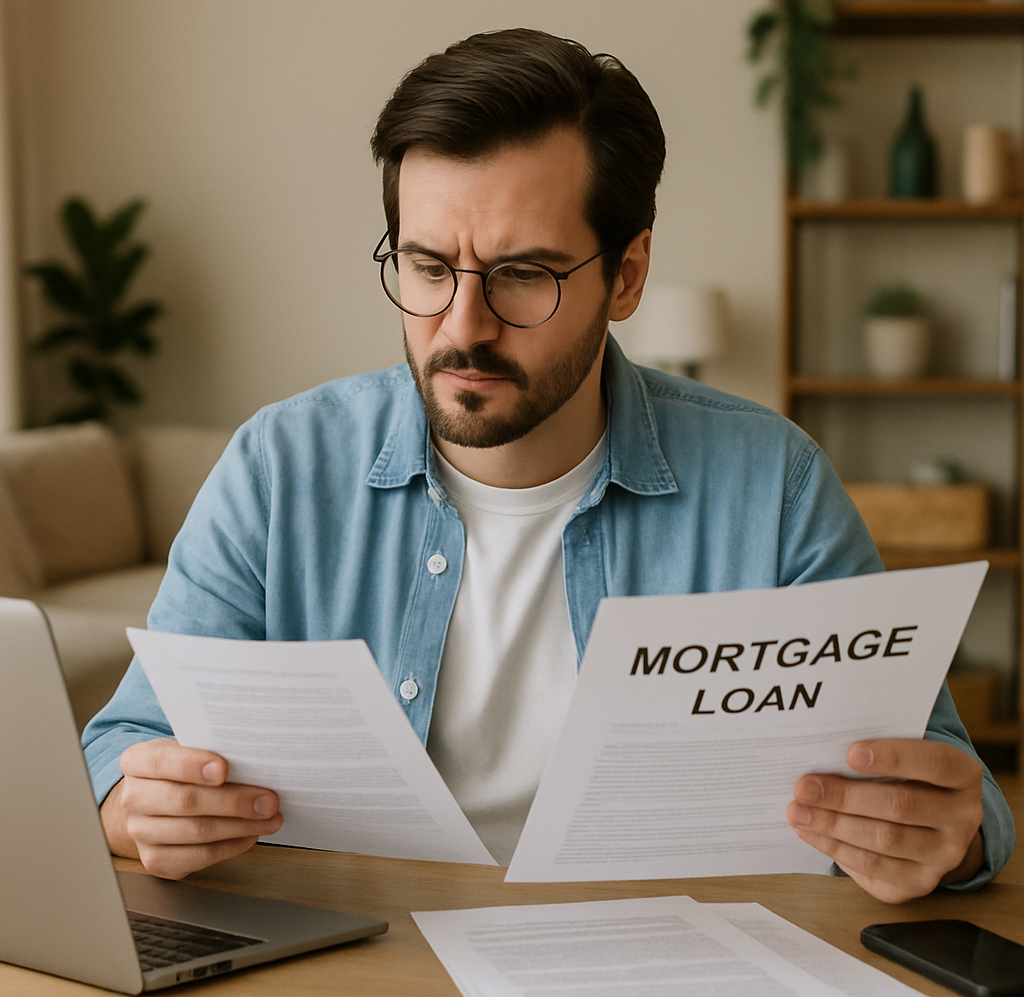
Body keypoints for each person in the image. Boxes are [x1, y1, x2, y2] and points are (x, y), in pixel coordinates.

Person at [84, 27, 1014, 903]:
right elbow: (122, 743)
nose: (462, 325)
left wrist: (942, 835)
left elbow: (950, 789)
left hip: (669, 962)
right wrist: (139, 807)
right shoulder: (278, 469)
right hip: (360, 963)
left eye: (525, 274)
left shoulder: (773, 486)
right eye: (426, 266)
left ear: (627, 275)